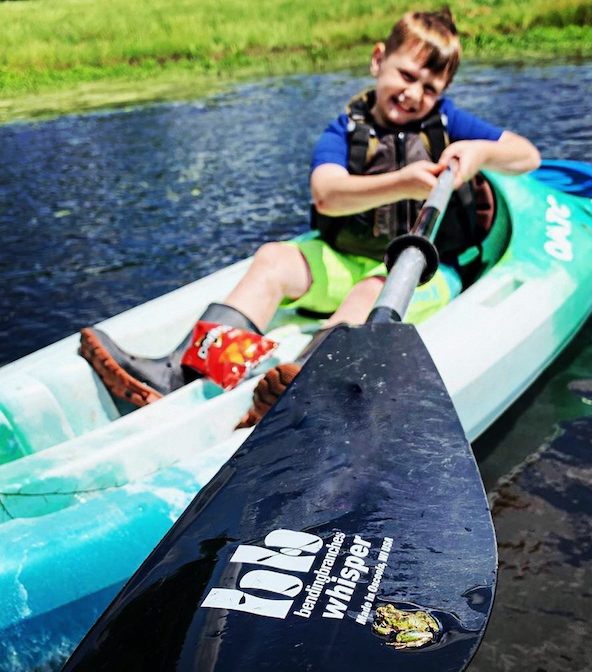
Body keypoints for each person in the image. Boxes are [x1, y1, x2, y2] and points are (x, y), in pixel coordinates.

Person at [80, 8, 541, 426]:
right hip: (345, 257)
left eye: (430, 88)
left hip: (421, 272)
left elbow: (528, 157)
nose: (414, 93)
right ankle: (179, 372)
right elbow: (327, 195)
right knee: (273, 259)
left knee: (370, 290)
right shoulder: (346, 128)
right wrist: (402, 181)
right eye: (407, 74)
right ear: (378, 60)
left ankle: (299, 384)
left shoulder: (449, 122)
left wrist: (481, 150)